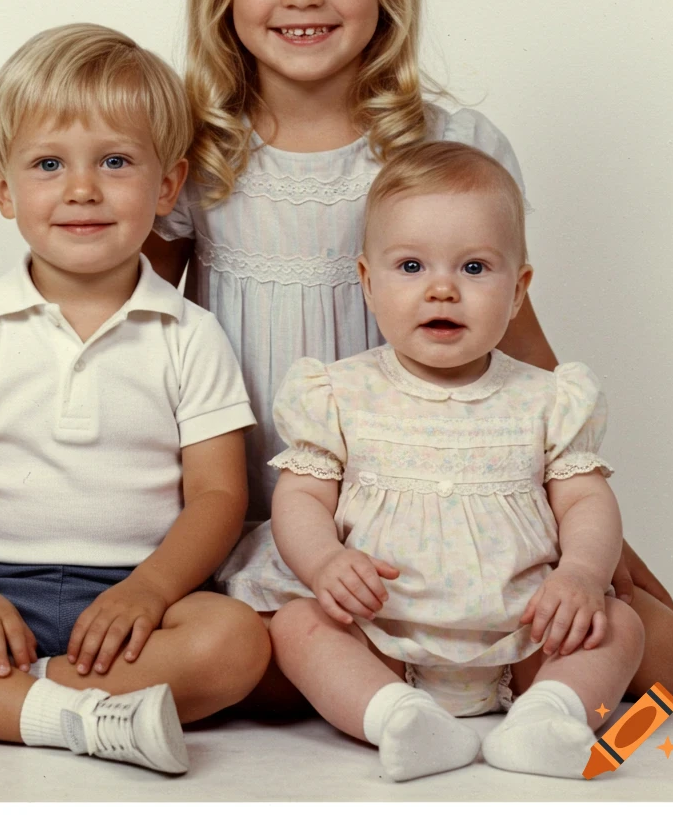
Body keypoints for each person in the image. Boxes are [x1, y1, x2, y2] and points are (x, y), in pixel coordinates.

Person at [144, 0, 673, 702]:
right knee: (237, 656)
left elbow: (525, 346)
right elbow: (134, 322)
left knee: (664, 652)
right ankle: (397, 680)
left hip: (445, 515)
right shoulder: (198, 154)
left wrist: (602, 553)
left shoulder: (447, 147)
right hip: (266, 524)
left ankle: (444, 669)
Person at [0, 23, 271, 775]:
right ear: (2, 188)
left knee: (237, 642)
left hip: (138, 605)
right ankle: (77, 716)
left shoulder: (190, 335)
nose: (82, 188)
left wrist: (149, 591)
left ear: (167, 186)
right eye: (47, 164)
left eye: (116, 161)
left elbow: (219, 493)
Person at [264, 141, 646, 781]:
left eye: (474, 268)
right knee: (299, 625)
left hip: (525, 634)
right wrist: (325, 560)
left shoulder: (547, 396)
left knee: (621, 626)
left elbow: (584, 498)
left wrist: (581, 572)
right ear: (367, 282)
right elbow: (301, 497)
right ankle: (398, 718)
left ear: (518, 289)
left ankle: (550, 713)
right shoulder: (337, 392)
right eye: (410, 266)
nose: (442, 288)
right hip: (381, 633)